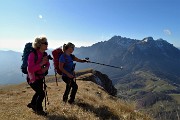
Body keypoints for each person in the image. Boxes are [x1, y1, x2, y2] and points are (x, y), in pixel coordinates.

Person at [27, 36, 50, 116]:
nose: (47, 44)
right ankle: (39, 110)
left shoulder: (44, 54)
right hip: (32, 78)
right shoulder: (32, 54)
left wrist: (45, 68)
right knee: (41, 93)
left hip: (40, 77)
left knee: (38, 92)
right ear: (39, 44)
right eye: (46, 43)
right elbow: (30, 69)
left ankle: (33, 104)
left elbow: (47, 63)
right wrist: (41, 64)